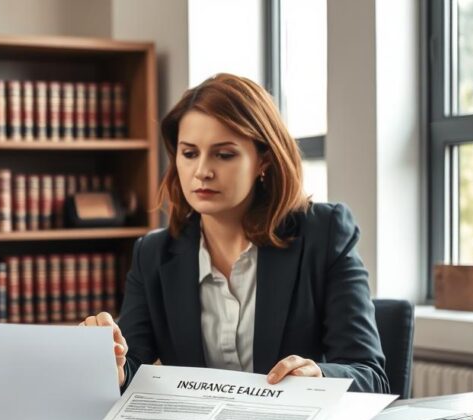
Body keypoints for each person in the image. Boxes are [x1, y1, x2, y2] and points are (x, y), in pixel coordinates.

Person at [82, 73, 389, 394]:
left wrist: (320, 378)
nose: (202, 171)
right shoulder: (153, 254)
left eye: (224, 154)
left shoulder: (324, 234)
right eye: (189, 153)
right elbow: (134, 370)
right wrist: (111, 363)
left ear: (264, 160)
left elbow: (370, 375)